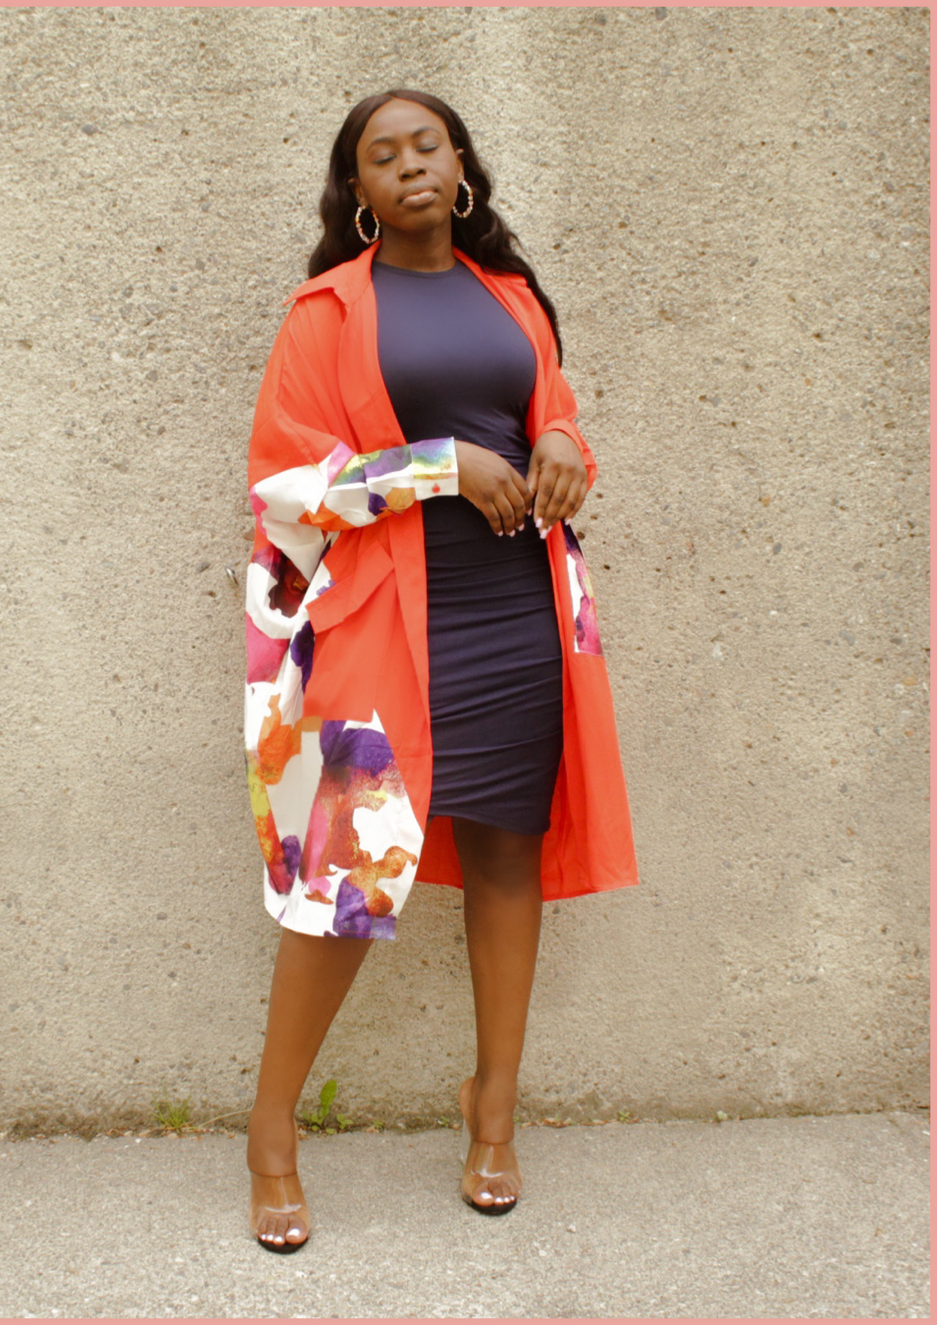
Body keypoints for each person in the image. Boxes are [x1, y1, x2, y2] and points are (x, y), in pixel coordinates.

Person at [243, 89, 638, 1252]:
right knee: (345, 888)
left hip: (519, 616)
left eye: (427, 145)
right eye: (382, 154)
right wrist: (438, 463)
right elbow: (287, 484)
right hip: (382, 625)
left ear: (459, 165)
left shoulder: (512, 298)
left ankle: (493, 1115)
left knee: (510, 855)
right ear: (355, 190)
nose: (409, 165)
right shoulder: (326, 311)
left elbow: (551, 420)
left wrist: (563, 441)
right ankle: (272, 1137)